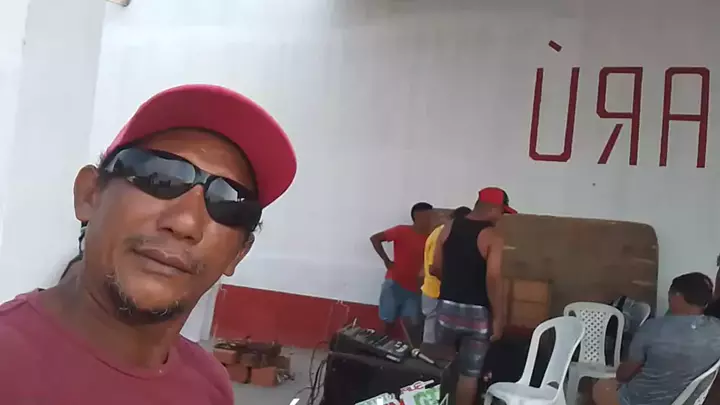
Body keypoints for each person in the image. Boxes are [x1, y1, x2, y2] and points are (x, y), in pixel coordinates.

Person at [0, 84, 296, 404]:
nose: (185, 223)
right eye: (161, 176)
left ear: (238, 254)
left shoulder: (209, 386)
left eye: (229, 203)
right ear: (89, 195)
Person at [430, 187, 516, 405]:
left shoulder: (448, 227)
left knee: (443, 369)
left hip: (446, 310)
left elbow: (436, 267)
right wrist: (499, 318)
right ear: (493, 208)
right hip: (477, 316)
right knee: (469, 376)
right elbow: (493, 278)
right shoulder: (493, 237)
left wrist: (455, 284)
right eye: (502, 212)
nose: (500, 217)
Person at [593, 272, 720, 405]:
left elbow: (624, 375)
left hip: (639, 400)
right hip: (688, 400)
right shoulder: (717, 329)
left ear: (677, 297)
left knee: (601, 387)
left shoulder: (652, 329)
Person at [370, 202, 434, 335]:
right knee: (388, 322)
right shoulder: (401, 231)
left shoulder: (432, 237)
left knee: (412, 325)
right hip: (394, 283)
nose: (430, 220)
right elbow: (375, 239)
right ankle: (381, 345)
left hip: (416, 289)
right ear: (417, 217)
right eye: (427, 217)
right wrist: (386, 261)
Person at [421, 206, 471, 344]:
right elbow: (434, 268)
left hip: (436, 290)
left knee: (437, 329)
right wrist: (454, 284)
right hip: (436, 291)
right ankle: (429, 354)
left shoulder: (442, 232)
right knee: (433, 331)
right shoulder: (442, 234)